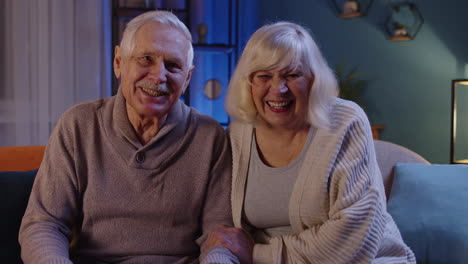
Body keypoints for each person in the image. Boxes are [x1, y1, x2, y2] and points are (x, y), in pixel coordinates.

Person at [19, 11, 242, 264]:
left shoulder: (211, 137)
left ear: (188, 78)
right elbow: (44, 224)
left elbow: (221, 237)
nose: (159, 76)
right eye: (146, 59)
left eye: (173, 66)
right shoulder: (78, 125)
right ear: (118, 63)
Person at [210, 21, 416, 263]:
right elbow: (228, 234)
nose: (278, 89)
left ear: (314, 80)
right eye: (264, 76)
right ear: (248, 83)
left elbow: (353, 239)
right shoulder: (237, 133)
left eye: (292, 74)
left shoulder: (345, 122)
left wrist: (258, 253)